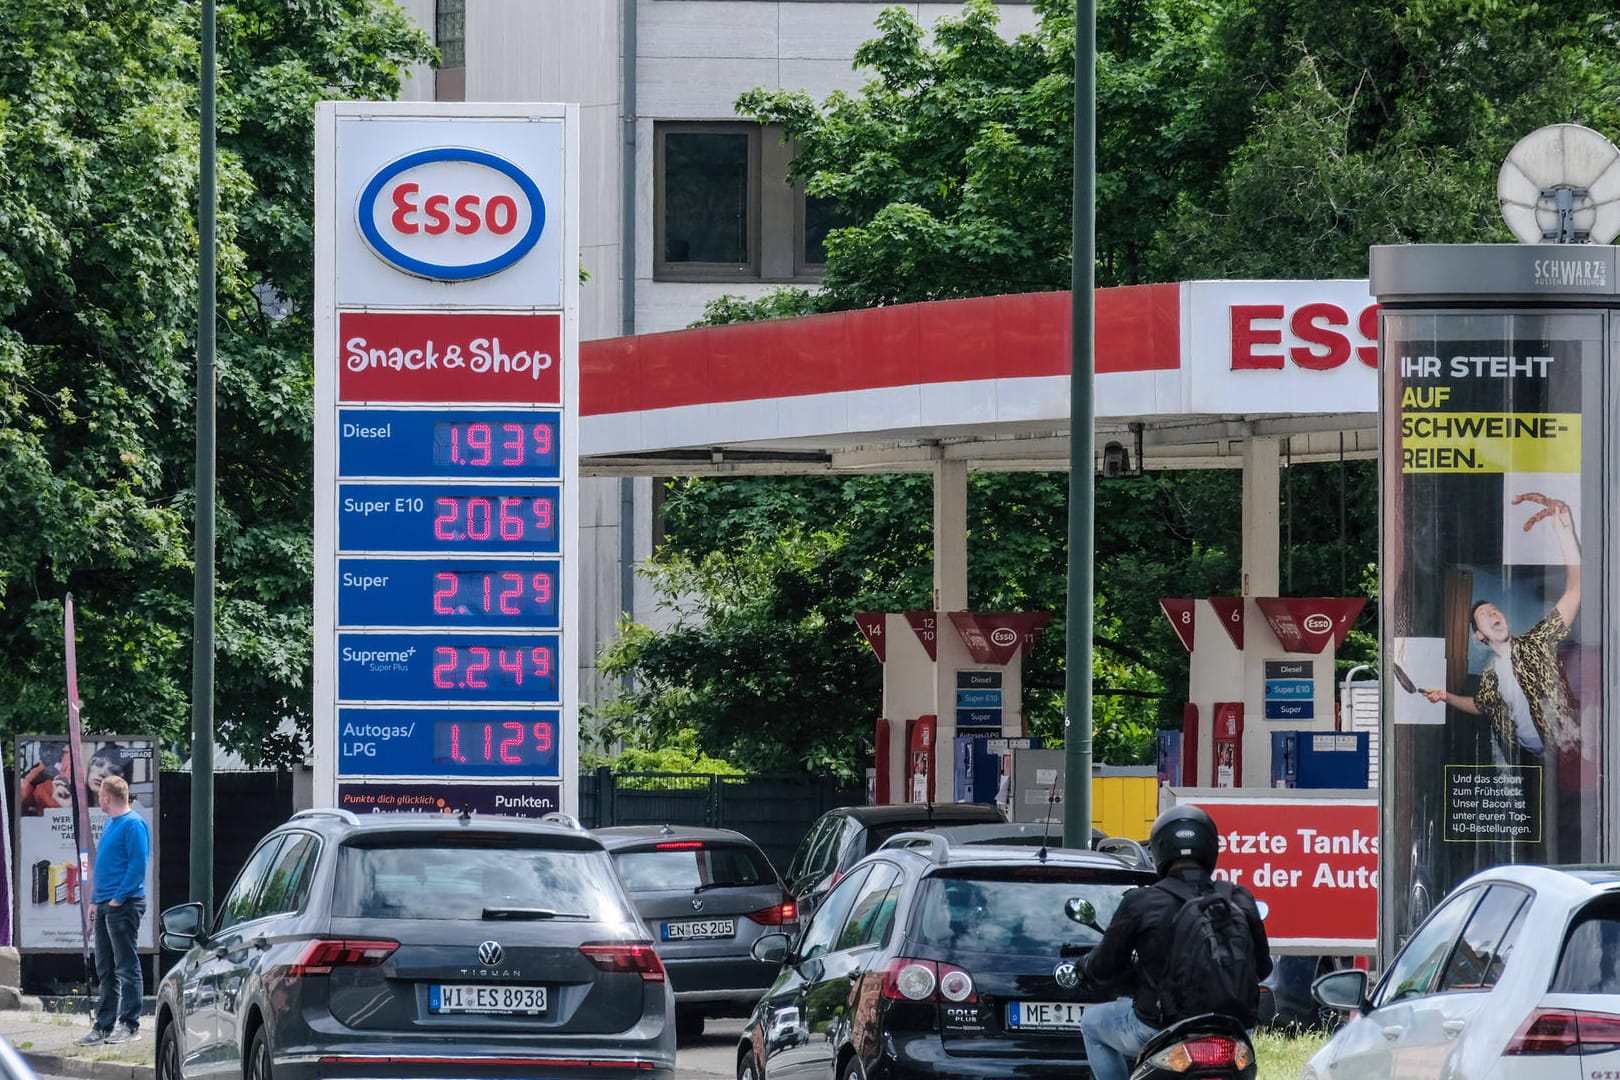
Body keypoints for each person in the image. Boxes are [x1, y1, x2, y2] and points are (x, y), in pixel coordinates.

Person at [1078, 805, 1271, 1080]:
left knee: (1091, 1024)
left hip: (1160, 1027)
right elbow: (1263, 969)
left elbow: (1104, 967)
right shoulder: (1239, 897)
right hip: (1233, 1029)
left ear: (1159, 849)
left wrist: (1085, 966)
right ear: (1210, 848)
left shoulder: (1142, 901)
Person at [1422, 492, 1581, 763]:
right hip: (1532, 758)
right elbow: (1480, 706)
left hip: (1569, 753)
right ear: (1479, 634)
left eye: (1494, 609)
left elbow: (1574, 591)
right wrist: (1446, 696)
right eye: (1484, 614)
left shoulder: (1537, 642)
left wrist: (1564, 532)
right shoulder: (1491, 675)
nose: (1493, 612)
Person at [77, 775, 149, 1046]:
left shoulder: (133, 824)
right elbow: (106, 867)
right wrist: (95, 900)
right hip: (107, 903)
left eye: (100, 796)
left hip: (124, 904)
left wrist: (118, 898)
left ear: (107, 797)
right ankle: (104, 1025)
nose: (99, 800)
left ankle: (130, 1024)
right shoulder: (112, 823)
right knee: (105, 967)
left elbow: (137, 866)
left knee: (126, 966)